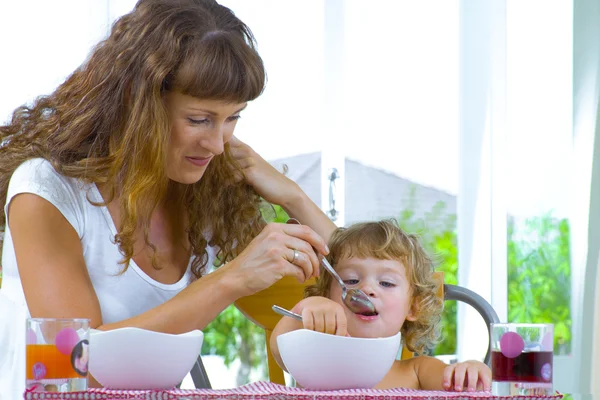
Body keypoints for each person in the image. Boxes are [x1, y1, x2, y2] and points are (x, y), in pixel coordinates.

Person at [0, 0, 335, 396]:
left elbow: (373, 288)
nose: (215, 143)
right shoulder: (47, 190)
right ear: (135, 103)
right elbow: (74, 366)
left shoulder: (204, 191)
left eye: (232, 118)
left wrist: (292, 195)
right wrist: (230, 281)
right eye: (198, 120)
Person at [270, 220, 492, 391]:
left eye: (386, 283)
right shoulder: (315, 358)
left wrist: (468, 371)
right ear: (328, 296)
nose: (367, 289)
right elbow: (280, 348)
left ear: (413, 307)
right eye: (351, 281)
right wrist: (305, 309)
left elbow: (456, 385)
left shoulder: (418, 371)